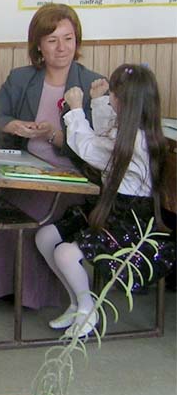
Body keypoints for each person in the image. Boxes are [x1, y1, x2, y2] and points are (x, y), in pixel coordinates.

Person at [0, 3, 105, 310]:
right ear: (38, 45)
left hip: (72, 179)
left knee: (33, 210)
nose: (62, 48)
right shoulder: (21, 78)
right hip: (25, 168)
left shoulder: (92, 84)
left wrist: (54, 136)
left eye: (68, 39)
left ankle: (34, 295)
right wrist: (12, 125)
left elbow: (99, 148)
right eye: (52, 40)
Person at [35, 64, 175, 337]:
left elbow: (90, 149)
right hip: (110, 209)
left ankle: (88, 311)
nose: (111, 98)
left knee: (65, 253)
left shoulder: (138, 143)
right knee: (45, 237)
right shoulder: (127, 130)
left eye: (113, 94)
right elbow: (105, 136)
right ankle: (78, 304)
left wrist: (76, 110)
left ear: (124, 102)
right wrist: (98, 102)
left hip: (131, 223)